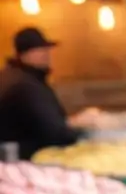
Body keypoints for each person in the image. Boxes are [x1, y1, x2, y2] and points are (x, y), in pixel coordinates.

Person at [0, 28, 82, 160]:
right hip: (27, 163)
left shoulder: (16, 77)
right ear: (23, 54)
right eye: (39, 50)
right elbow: (55, 132)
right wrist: (83, 132)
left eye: (46, 49)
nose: (46, 54)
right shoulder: (25, 85)